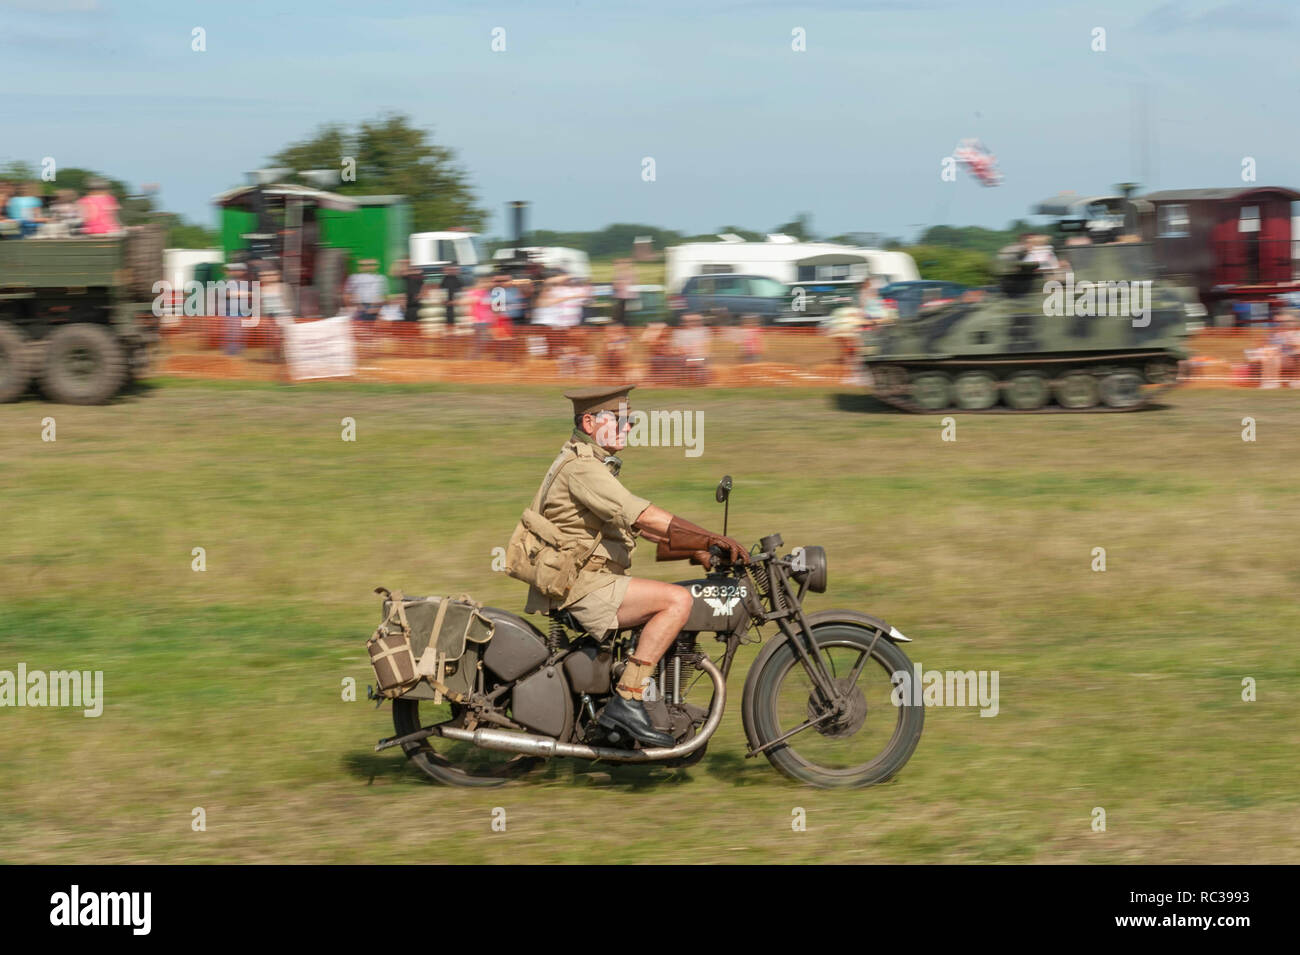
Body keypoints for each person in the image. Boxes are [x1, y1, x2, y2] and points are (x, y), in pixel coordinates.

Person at [507, 384, 749, 747]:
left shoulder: (592, 464)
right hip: (582, 586)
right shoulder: (582, 469)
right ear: (589, 422)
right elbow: (642, 517)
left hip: (588, 579)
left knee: (674, 596)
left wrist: (696, 550)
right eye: (620, 419)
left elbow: (636, 530)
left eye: (631, 420)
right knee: (676, 601)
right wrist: (711, 538)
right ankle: (629, 697)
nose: (630, 426)